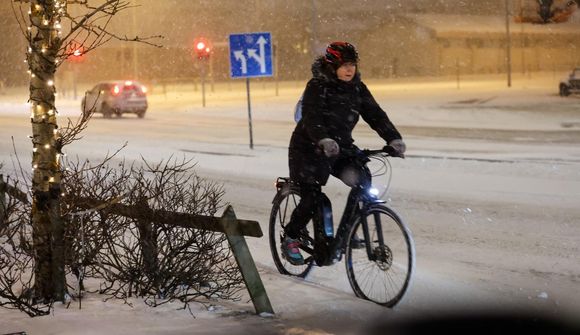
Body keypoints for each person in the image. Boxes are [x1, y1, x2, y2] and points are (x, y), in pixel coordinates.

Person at [282, 41, 406, 265]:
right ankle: (291, 235)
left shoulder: (357, 88)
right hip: (308, 148)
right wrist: (323, 139)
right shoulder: (318, 86)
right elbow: (312, 118)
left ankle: (350, 227)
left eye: (352, 64)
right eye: (344, 65)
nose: (349, 70)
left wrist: (393, 138)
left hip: (339, 149)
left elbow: (375, 114)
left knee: (363, 180)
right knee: (312, 198)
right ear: (332, 66)